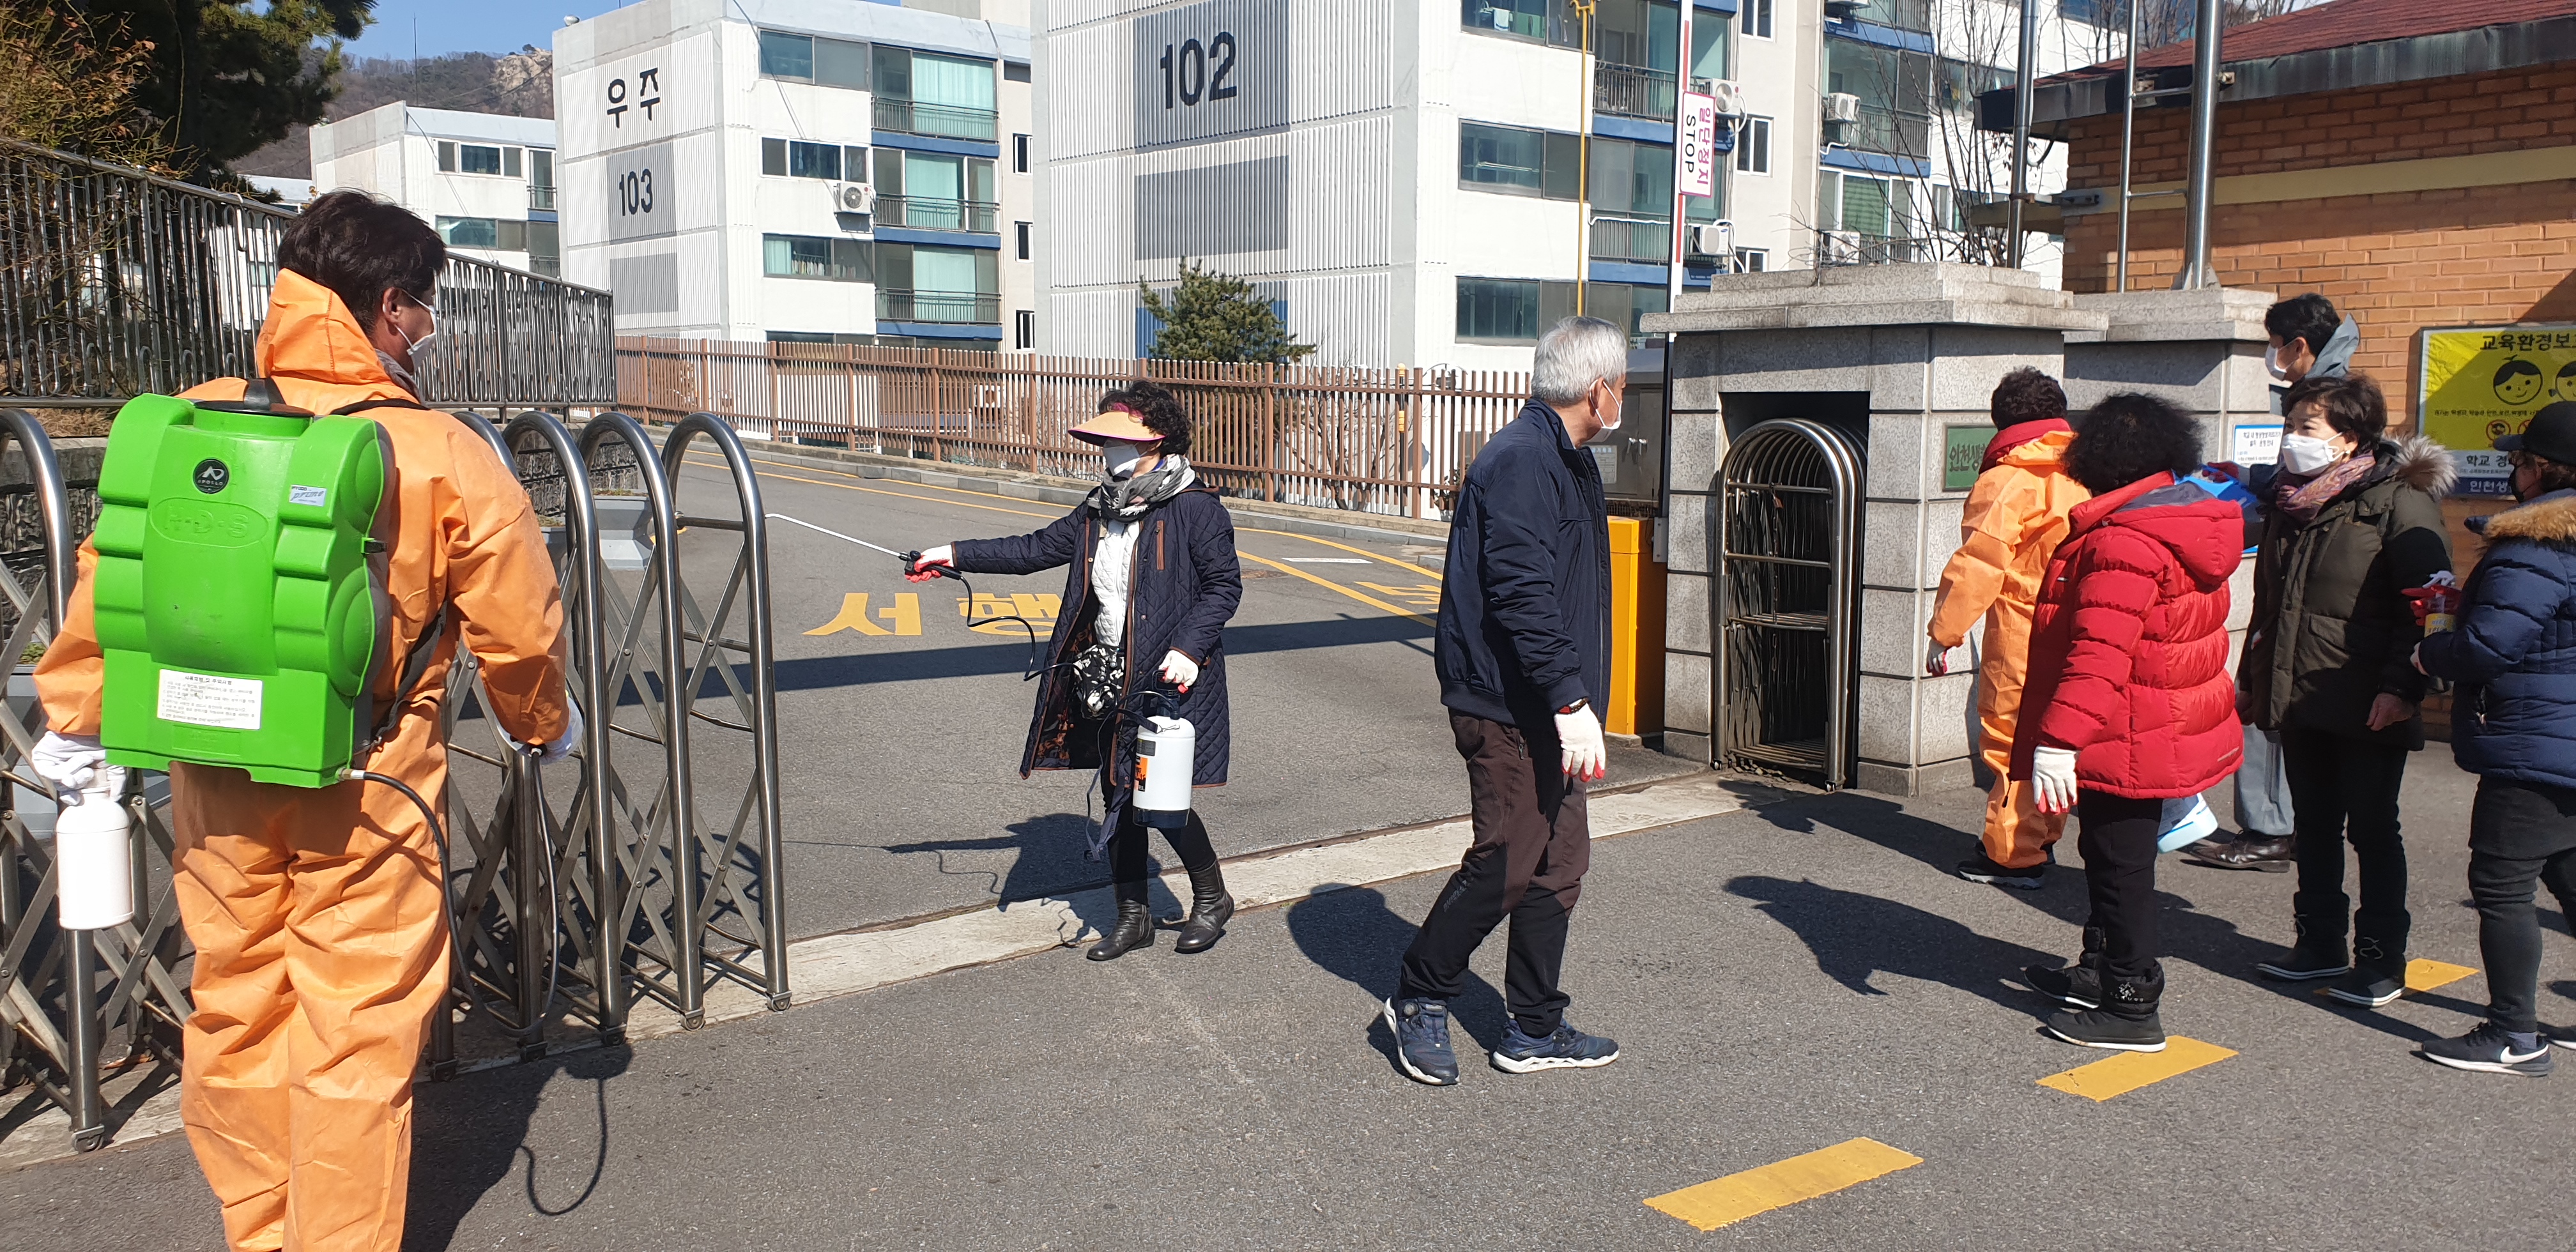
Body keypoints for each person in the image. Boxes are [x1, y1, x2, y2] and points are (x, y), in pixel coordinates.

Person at [28, 192, 575, 1252]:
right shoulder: (441, 449)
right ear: (385, 307)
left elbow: (118, 582)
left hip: (214, 771)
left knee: (237, 1012)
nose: (427, 329)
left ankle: (263, 1233)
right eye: (422, 309)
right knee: (354, 1038)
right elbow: (520, 626)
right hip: (369, 792)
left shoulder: (194, 416)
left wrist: (77, 717)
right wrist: (540, 721)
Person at [905, 381, 1242, 959]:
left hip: (1167, 674)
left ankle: (1212, 899)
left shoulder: (1194, 507)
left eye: (1118, 439)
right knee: (1119, 788)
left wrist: (1187, 648)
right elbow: (1032, 549)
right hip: (1108, 671)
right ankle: (1132, 916)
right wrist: (951, 553)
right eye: (1104, 439)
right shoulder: (1099, 508)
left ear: (1156, 440)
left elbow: (1223, 587)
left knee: (1158, 796)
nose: (1107, 449)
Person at [1384, 316, 1623, 1085]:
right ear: (1600, 391)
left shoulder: (1566, 456)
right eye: (1623, 387)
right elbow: (1521, 592)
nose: (1623, 399)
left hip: (1554, 703)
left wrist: (1575, 699)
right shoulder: (1523, 460)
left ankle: (1533, 1026)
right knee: (1509, 860)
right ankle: (1418, 994)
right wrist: (1566, 698)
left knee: (1559, 863)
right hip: (1511, 703)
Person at [2013, 393, 2244, 1051]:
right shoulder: (2182, 516)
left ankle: (2131, 1001)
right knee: (2109, 857)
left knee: (2120, 868)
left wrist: (2061, 740)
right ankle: (2100, 969)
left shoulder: (2124, 540)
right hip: (2155, 723)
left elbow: (2098, 653)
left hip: (2127, 729)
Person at [2236, 374, 2454, 1007]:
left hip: (2369, 697)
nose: (2292, 439)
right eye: (2290, 424)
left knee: (2373, 829)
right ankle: (2319, 944)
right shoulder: (2291, 501)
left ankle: (2382, 957)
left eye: (2307, 427)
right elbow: (2270, 605)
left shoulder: (2397, 502)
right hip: (2301, 693)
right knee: (2315, 823)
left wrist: (2405, 686)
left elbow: (2428, 608)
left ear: (2350, 437)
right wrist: (2254, 679)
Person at [2412, 400, 2576, 1076]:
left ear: (2543, 470)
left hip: (2535, 742)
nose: (2513, 470)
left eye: (2520, 460)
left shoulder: (2535, 544)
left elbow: (2490, 645)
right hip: (2562, 740)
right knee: (2568, 873)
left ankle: (2514, 1033)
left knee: (2502, 885)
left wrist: (2431, 655)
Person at [2192, 293, 2361, 870]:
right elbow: (2296, 479)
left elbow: (2314, 484)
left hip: (2301, 601)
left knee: (2268, 705)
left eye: (2274, 345)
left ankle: (2271, 829)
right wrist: (2253, 478)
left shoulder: (2328, 397)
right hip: (2292, 593)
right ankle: (2283, 829)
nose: (2294, 435)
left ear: (2299, 346)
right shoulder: (2326, 394)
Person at [1926, 367, 2091, 890]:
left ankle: (2012, 856)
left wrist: (1944, 632)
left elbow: (1980, 562)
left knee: (2012, 737)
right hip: (2079, 624)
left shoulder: (2007, 478)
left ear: (2002, 421)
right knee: (2056, 738)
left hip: (2023, 625)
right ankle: (2041, 838)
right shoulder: (2089, 468)